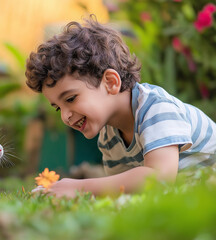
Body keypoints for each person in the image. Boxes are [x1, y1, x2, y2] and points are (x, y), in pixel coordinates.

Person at [25, 15, 216, 198]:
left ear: (110, 82)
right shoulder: (109, 138)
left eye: (70, 99)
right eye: (57, 107)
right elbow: (123, 190)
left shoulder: (157, 109)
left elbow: (159, 178)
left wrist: (79, 187)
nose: (65, 116)